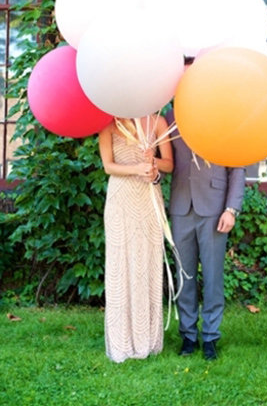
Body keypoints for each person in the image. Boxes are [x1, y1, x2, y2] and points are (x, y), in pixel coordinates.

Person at [166, 108, 245, 361]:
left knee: (212, 276)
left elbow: (237, 167)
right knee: (183, 275)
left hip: (214, 206)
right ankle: (188, 335)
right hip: (181, 206)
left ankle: (210, 336)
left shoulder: (222, 115)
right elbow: (164, 160)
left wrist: (231, 209)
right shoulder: (170, 117)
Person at [99, 115, 173, 363]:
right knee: (121, 264)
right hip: (121, 198)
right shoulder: (108, 124)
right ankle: (122, 340)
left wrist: (152, 161)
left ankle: (147, 339)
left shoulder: (158, 122)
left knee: (147, 263)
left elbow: (169, 165)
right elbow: (108, 166)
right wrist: (135, 169)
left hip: (149, 197)